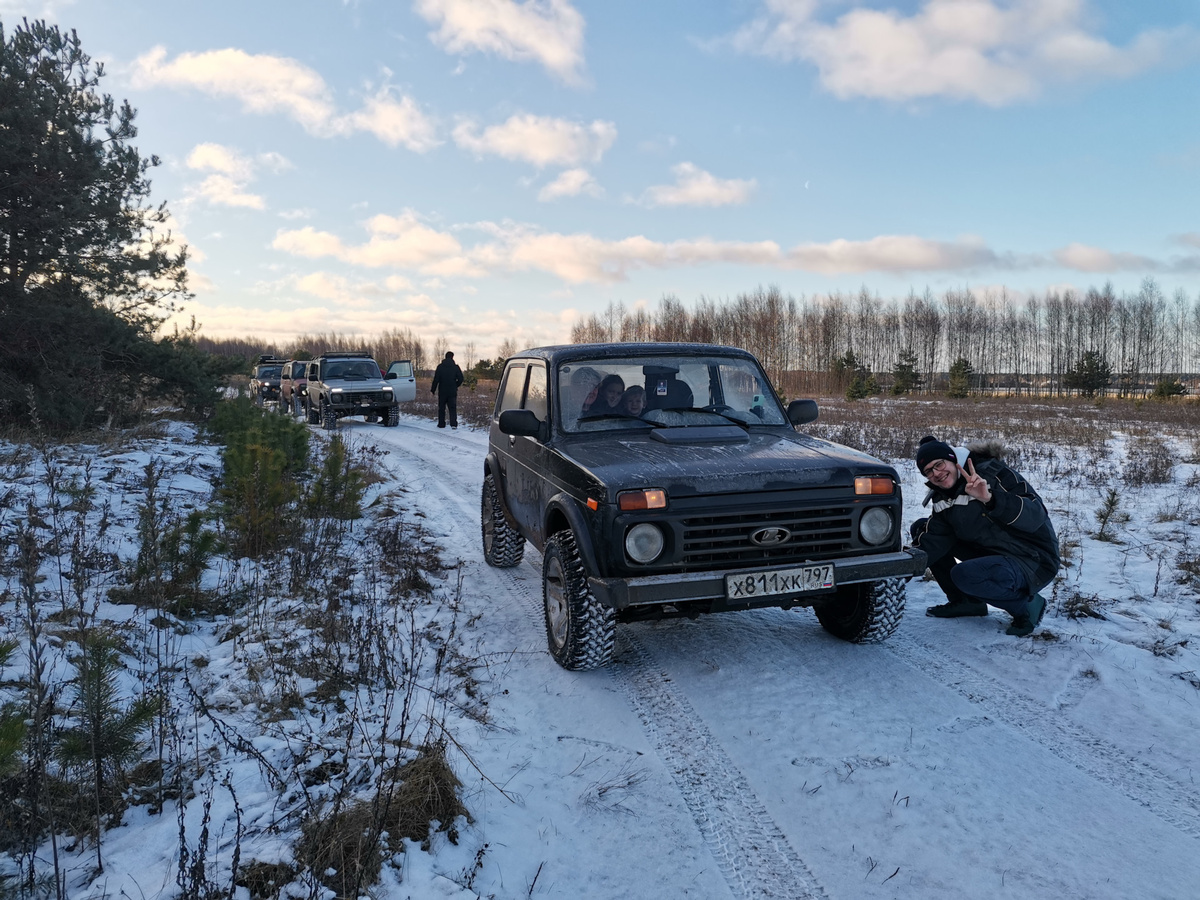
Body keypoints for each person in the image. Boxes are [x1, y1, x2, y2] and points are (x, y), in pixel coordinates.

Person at [909, 435, 1060, 637]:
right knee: (923, 529)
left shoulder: (993, 473)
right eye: (929, 471)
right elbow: (935, 539)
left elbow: (1035, 516)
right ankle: (966, 601)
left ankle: (1025, 607)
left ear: (952, 459)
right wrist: (895, 571)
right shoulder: (942, 496)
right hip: (994, 551)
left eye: (939, 464)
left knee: (964, 575)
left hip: (1032, 558)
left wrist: (990, 499)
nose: (937, 473)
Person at [430, 351, 464, 429]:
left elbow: (436, 379)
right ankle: (453, 424)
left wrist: (433, 390)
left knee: (441, 408)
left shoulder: (440, 367)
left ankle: (441, 424)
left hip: (442, 391)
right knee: (452, 408)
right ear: (452, 357)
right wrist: (456, 385)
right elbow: (461, 378)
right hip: (452, 391)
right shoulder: (455, 367)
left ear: (445, 357)